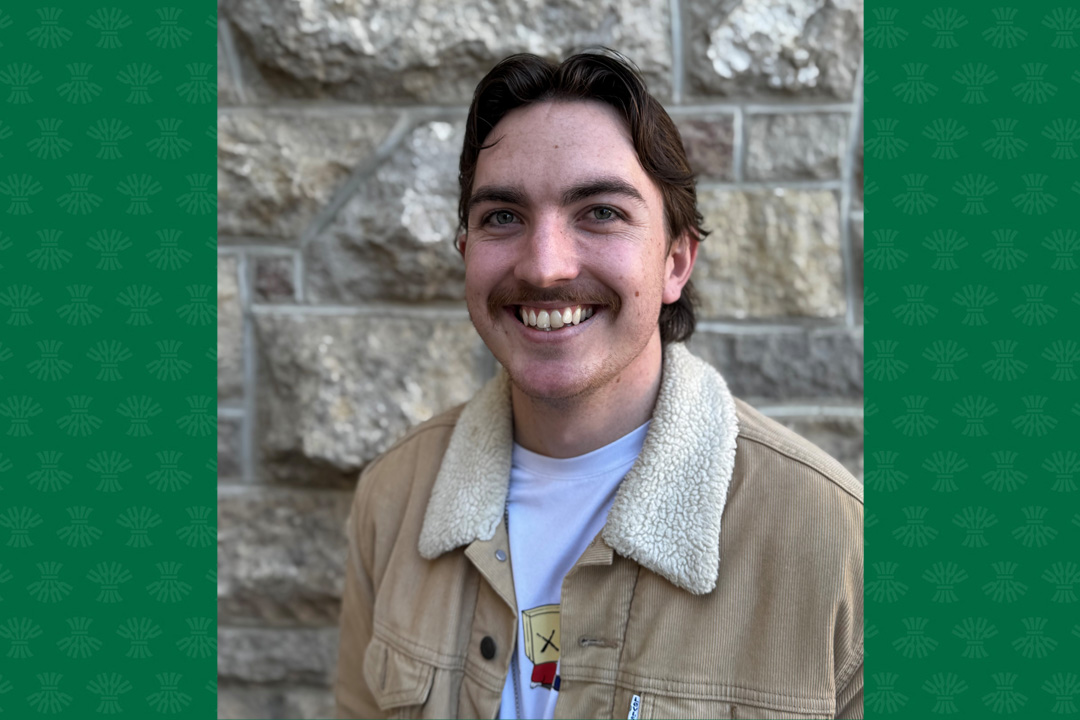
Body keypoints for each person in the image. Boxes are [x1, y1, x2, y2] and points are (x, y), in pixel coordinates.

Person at [334, 50, 862, 720]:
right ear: (465, 251)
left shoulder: (838, 544)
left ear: (676, 261)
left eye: (601, 212)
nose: (546, 266)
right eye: (502, 216)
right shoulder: (395, 499)